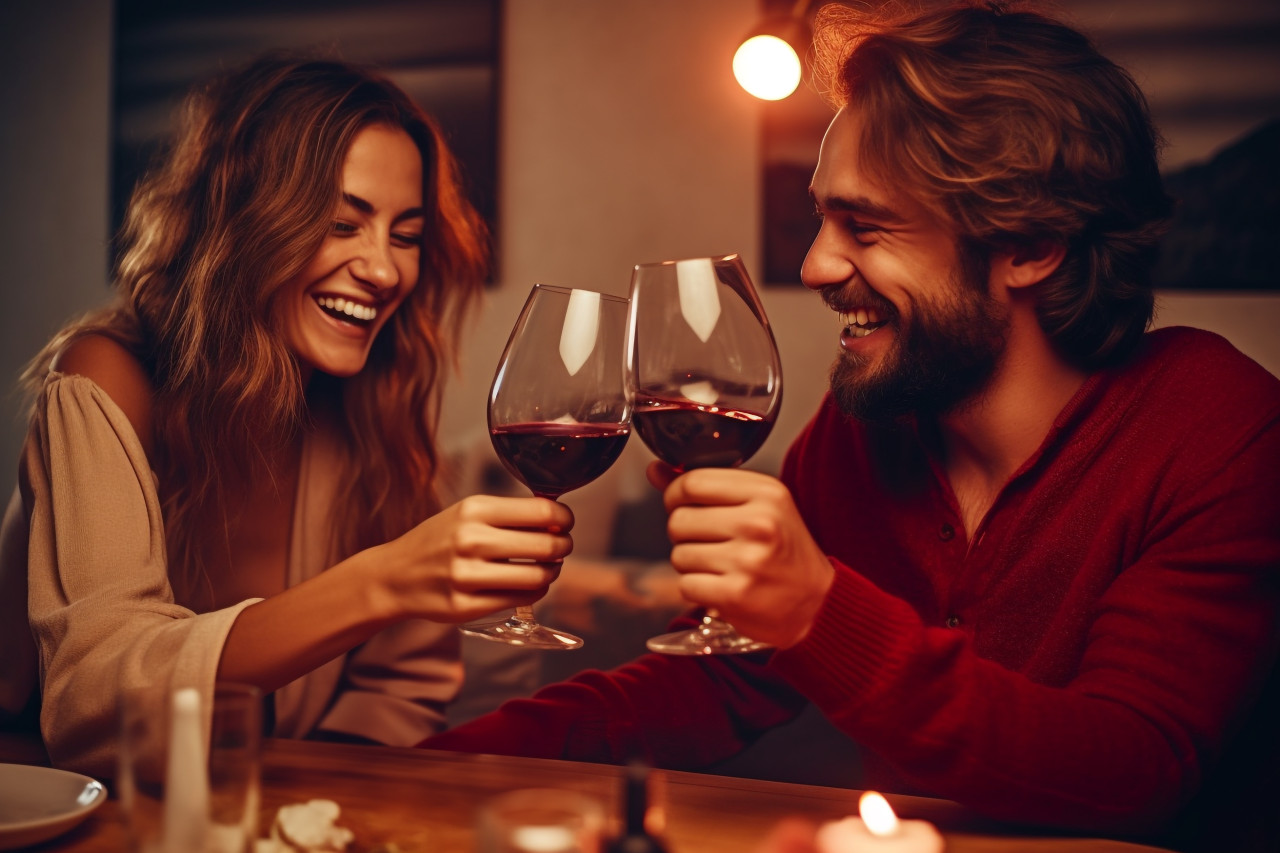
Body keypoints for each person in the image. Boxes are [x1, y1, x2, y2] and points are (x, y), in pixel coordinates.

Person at [421, 3, 1280, 851]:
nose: (815, 266)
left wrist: (817, 609)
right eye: (823, 218)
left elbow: (1135, 771)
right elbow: (715, 680)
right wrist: (423, 769)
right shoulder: (865, 431)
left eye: (864, 226)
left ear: (1031, 247)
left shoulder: (1219, 428)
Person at [0, 55, 574, 776]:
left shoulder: (371, 403)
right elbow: (96, 698)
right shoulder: (105, 376)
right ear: (247, 221)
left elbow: (398, 686)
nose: (385, 269)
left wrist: (314, 818)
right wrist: (385, 579)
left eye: (404, 234)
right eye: (343, 222)